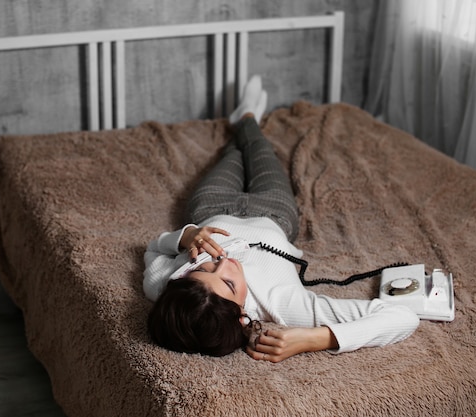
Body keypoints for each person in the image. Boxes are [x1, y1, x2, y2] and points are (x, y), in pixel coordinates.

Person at [143, 76, 419, 363]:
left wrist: (184, 237)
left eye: (206, 266)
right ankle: (248, 118)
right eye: (229, 284)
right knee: (262, 153)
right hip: (273, 211)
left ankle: (242, 123)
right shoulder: (282, 303)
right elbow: (402, 317)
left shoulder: (165, 286)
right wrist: (315, 338)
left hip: (211, 206)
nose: (225, 262)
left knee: (231, 156)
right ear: (242, 317)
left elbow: (152, 248)